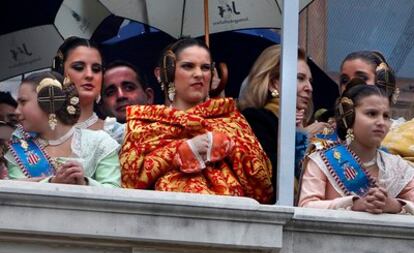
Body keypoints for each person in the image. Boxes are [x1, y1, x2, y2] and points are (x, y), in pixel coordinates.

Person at [120, 38, 273, 204]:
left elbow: (263, 186)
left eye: (205, 68)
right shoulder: (144, 123)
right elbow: (128, 182)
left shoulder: (232, 119)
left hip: (227, 219)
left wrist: (229, 146)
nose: (199, 74)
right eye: (188, 66)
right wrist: (182, 151)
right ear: (166, 72)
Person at [298, 79, 414, 214]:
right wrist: (353, 204)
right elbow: (306, 207)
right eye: (371, 114)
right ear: (349, 116)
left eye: (386, 116)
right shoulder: (321, 160)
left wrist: (395, 205)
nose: (381, 122)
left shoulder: (398, 167)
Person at [4, 72, 121, 187]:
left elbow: (115, 194)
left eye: (23, 102)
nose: (17, 111)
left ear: (50, 100)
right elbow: (16, 193)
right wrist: (52, 183)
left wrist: (84, 182)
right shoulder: (20, 149)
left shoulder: (100, 143)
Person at [238, 45, 329, 187]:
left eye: (310, 81)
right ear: (274, 84)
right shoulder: (256, 120)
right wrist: (303, 137)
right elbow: (268, 176)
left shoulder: (309, 125)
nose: (309, 88)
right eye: (300, 78)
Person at [52, 36, 124, 144]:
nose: (89, 75)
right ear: (60, 72)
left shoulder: (119, 134)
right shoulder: (38, 130)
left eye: (96, 69)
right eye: (79, 67)